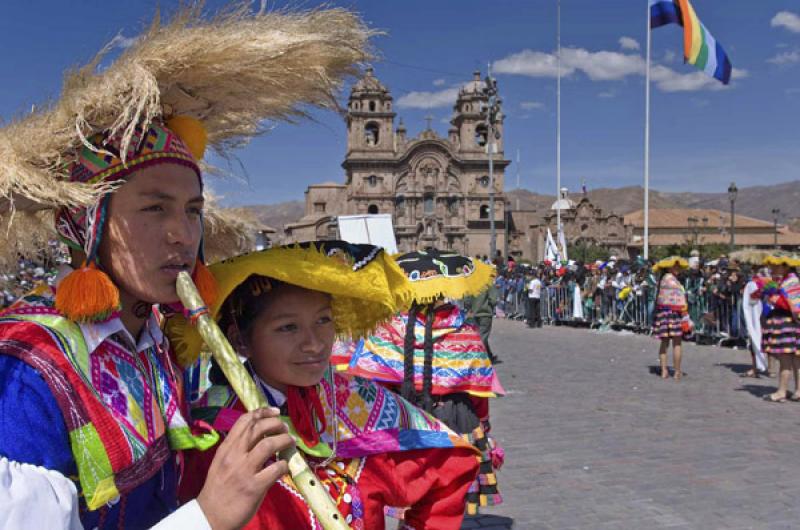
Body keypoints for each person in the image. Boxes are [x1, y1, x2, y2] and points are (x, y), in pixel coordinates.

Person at [0, 6, 370, 528]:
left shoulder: (156, 339)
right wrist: (209, 515)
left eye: (192, 211)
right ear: (88, 224)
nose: (183, 233)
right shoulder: (23, 373)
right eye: (154, 208)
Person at [175, 242, 480, 529]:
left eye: (323, 320)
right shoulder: (214, 436)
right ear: (241, 340)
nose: (314, 344)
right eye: (288, 327)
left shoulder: (362, 402)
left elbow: (449, 466)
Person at [759, 255, 800, 403]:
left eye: (777, 266)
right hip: (790, 323)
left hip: (787, 323)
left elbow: (793, 305)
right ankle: (798, 390)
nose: (773, 269)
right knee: (795, 358)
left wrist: (773, 297)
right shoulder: (786, 281)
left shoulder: (791, 282)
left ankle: (782, 391)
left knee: (786, 358)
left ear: (786, 267)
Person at [652, 257, 690, 381]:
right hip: (674, 314)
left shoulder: (662, 280)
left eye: (678, 266)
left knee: (665, 343)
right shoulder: (672, 281)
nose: (677, 268)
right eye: (675, 266)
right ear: (668, 267)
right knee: (677, 343)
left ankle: (664, 370)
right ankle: (677, 371)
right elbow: (681, 299)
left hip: (663, 313)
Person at [464, 284, 499, 364]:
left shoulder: (473, 284)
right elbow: (493, 299)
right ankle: (475, 356)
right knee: (482, 336)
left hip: (474, 313)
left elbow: (467, 300)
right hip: (485, 313)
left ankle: (489, 356)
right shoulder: (488, 284)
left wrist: (470, 308)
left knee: (480, 335)